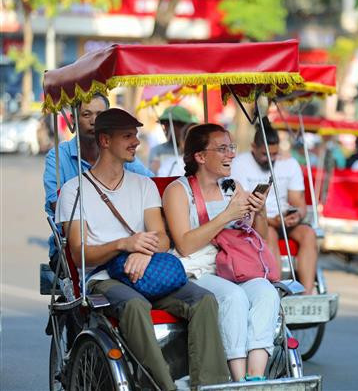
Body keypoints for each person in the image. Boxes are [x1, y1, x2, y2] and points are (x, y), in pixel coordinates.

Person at [55, 109, 229, 390]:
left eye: (136, 135)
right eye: (127, 136)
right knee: (135, 305)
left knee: (204, 301)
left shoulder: (144, 185)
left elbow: (161, 237)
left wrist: (141, 251)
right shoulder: (74, 191)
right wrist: (123, 244)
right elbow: (79, 253)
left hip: (149, 270)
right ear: (105, 140)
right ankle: (163, 386)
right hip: (104, 278)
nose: (136, 141)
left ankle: (209, 385)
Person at [162, 123, 280, 382]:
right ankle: (238, 380)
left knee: (265, 292)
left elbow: (255, 234)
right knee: (234, 298)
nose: (231, 155)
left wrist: (259, 211)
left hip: (233, 265)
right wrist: (225, 215)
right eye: (223, 148)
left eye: (231, 147)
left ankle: (255, 377)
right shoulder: (178, 191)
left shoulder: (232, 187)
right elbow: (184, 244)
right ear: (200, 157)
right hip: (196, 269)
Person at [43, 93, 152, 258]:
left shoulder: (121, 154)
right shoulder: (58, 157)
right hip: (74, 248)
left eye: (100, 116)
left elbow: (153, 184)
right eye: (87, 114)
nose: (94, 121)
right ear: (73, 120)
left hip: (125, 243)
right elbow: (55, 204)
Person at [232, 118, 318, 295]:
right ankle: (276, 290)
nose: (270, 159)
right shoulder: (240, 164)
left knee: (309, 234)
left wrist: (298, 215)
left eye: (274, 154)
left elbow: (298, 201)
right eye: (265, 154)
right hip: (257, 218)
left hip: (285, 219)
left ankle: (307, 294)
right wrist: (272, 220)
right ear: (253, 147)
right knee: (269, 233)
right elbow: (245, 204)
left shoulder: (289, 164)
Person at [149, 105, 198, 174]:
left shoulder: (196, 149)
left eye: (170, 125)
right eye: (164, 125)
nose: (165, 129)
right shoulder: (157, 151)